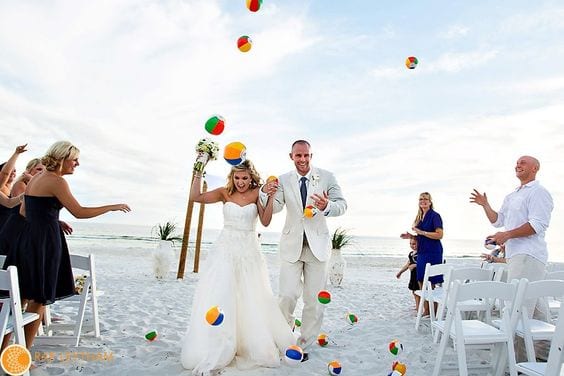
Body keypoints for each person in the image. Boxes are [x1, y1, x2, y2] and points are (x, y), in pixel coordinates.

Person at [3, 140, 130, 351]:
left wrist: (50, 218)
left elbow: (25, 212)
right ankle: (21, 356)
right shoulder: (57, 181)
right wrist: (111, 207)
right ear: (62, 159)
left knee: (19, 298)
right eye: (75, 159)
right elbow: (79, 212)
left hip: (26, 240)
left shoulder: (36, 179)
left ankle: (3, 352)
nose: (77, 164)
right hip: (44, 243)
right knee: (39, 300)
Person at [181, 159, 294, 375]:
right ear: (232, 177)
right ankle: (218, 343)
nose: (240, 182)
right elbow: (194, 197)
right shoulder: (224, 193)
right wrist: (198, 170)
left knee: (252, 297)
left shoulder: (257, 193)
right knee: (222, 295)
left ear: (252, 177)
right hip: (225, 251)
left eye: (245, 178)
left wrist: (269, 196)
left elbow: (267, 221)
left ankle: (247, 343)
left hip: (249, 251)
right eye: (237, 177)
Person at [260, 139, 347, 357]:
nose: (302, 159)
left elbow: (342, 205)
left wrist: (326, 206)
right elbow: (277, 207)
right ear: (291, 156)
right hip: (292, 246)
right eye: (298, 156)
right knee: (287, 295)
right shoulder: (282, 180)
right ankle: (284, 335)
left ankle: (304, 344)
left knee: (314, 301)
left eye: (306, 155)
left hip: (318, 247)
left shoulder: (327, 177)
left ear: (311, 155)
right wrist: (265, 191)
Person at [470, 155, 553, 313]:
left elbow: (538, 224)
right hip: (515, 255)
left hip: (528, 254)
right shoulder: (512, 195)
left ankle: (519, 339)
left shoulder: (539, 192)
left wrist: (507, 235)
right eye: (516, 163)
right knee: (533, 305)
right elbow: (498, 221)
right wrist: (485, 205)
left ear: (535, 168)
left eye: (523, 163)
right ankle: (545, 339)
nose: (518, 165)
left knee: (517, 306)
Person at [400, 192, 444, 316]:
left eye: (426, 199)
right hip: (422, 252)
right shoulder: (419, 217)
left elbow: (439, 235)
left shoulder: (435, 216)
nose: (423, 201)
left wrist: (422, 232)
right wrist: (411, 236)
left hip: (433, 252)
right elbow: (420, 236)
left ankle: (434, 311)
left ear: (430, 202)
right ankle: (426, 310)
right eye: (421, 199)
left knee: (432, 281)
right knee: (421, 280)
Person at [0, 158, 46, 256]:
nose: (41, 172)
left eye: (44, 170)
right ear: (28, 170)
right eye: (39, 169)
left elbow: (10, 203)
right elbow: (28, 209)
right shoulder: (20, 185)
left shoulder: (18, 187)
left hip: (21, 229)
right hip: (15, 229)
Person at [0, 144, 28, 228]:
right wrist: (16, 153)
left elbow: (11, 204)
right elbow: (5, 174)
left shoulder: (14, 189)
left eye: (15, 171)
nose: (13, 173)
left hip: (8, 229)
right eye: (10, 170)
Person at [396, 236, 419, 310]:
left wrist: (415, 265)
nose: (412, 246)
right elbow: (407, 264)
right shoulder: (411, 254)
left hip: (418, 275)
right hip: (413, 276)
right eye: (411, 244)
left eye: (414, 244)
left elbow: (424, 264)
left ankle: (419, 307)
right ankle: (417, 306)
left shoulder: (420, 254)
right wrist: (400, 272)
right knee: (414, 291)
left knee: (418, 292)